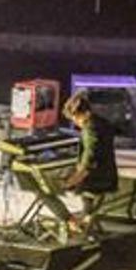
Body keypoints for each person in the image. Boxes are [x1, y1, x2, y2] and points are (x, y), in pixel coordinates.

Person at [55, 92, 119, 235]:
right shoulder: (102, 122)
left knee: (54, 184)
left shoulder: (90, 128)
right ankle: (86, 216)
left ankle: (76, 222)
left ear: (80, 114)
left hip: (96, 178)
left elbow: (90, 155)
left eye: (74, 119)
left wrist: (73, 179)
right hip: (108, 173)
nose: (76, 123)